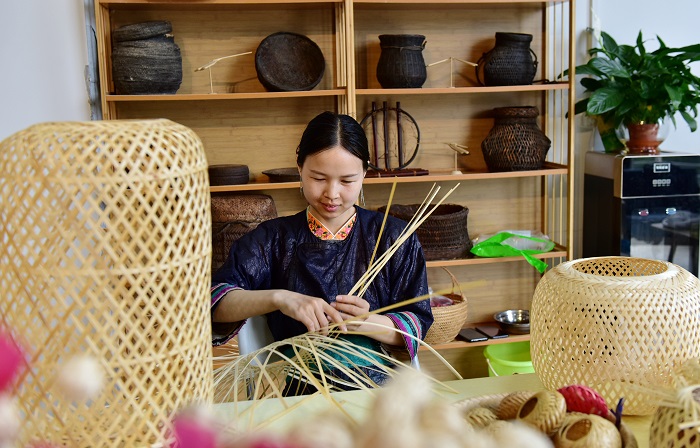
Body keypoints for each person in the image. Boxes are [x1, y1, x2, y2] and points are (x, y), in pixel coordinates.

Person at [210, 111, 432, 393]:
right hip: (300, 389)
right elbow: (214, 303)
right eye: (319, 177)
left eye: (347, 180)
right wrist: (280, 298)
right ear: (299, 167)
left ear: (365, 172)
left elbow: (417, 322)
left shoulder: (394, 238)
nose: (332, 193)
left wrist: (369, 322)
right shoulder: (271, 239)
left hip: (377, 391)